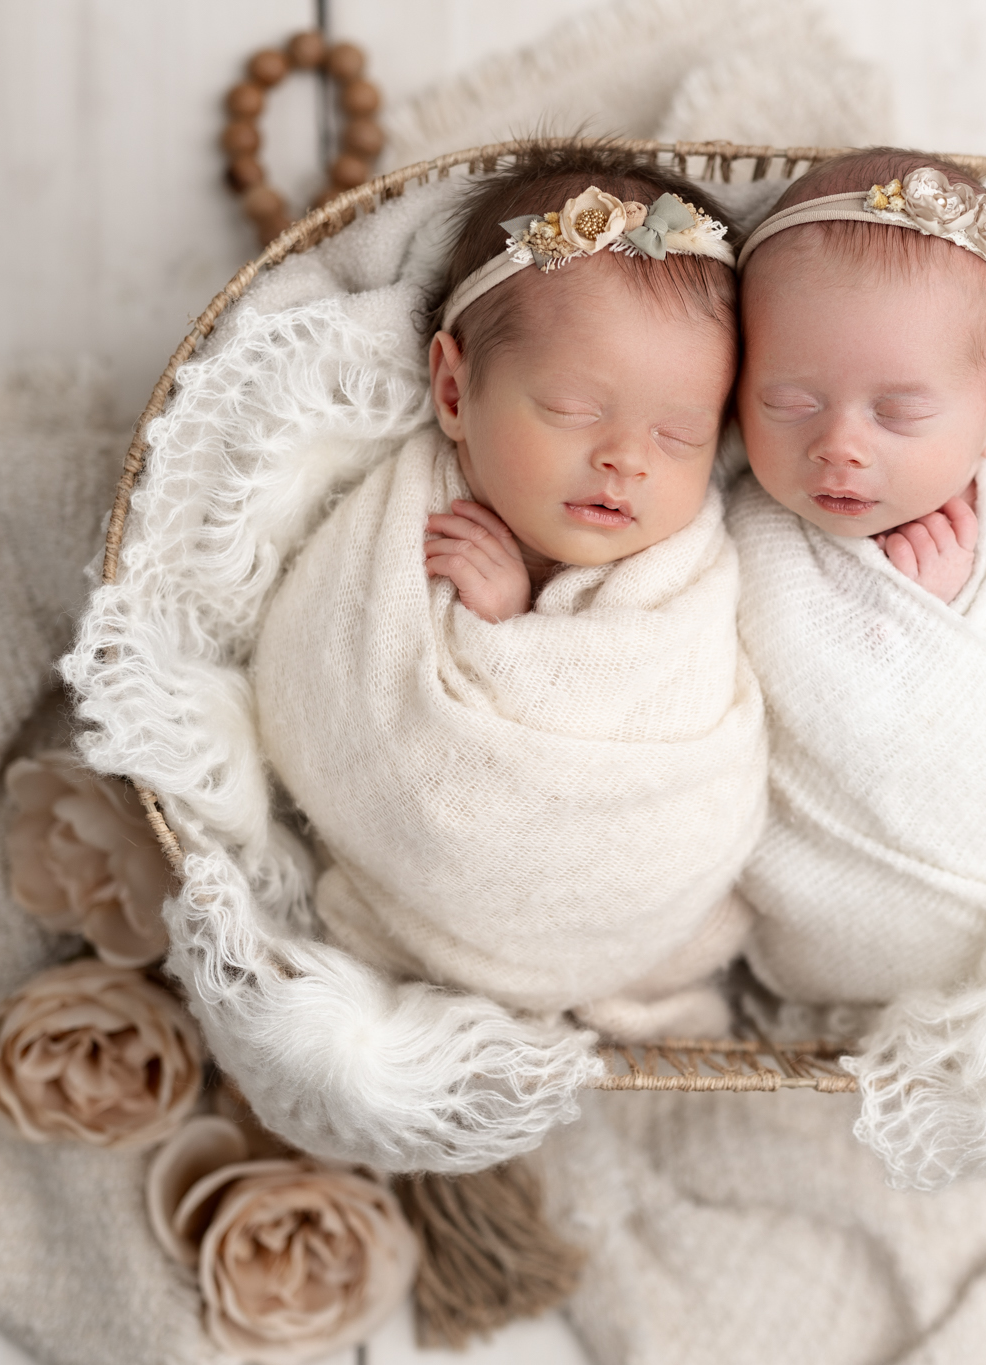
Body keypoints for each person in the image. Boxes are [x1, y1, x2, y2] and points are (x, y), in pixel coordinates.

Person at [253, 145, 766, 1040]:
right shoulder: (407, 520)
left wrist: (516, 629)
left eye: (681, 434)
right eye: (572, 410)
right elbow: (326, 675)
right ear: (454, 389)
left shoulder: (685, 567)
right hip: (432, 875)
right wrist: (490, 626)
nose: (627, 459)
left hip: (650, 878)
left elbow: (680, 706)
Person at [729, 148, 986, 1006]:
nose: (840, 443)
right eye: (789, 402)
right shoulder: (737, 525)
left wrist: (946, 619)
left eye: (900, 412)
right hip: (824, 917)